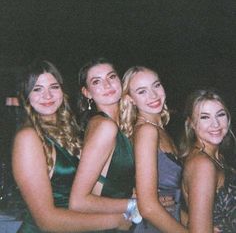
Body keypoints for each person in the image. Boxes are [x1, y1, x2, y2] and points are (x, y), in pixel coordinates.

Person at [12, 60, 128, 233]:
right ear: (25, 95)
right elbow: (46, 220)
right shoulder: (28, 138)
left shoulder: (71, 130)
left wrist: (134, 199)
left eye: (54, 87)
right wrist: (117, 220)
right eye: (37, 89)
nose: (48, 96)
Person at [69, 57, 142, 232]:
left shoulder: (120, 125)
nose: (107, 85)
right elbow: (78, 202)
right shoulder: (104, 126)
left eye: (111, 77)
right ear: (87, 93)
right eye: (96, 81)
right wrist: (137, 205)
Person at [120, 66, 188, 233]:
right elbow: (148, 207)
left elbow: (172, 199)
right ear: (130, 99)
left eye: (156, 85)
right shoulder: (146, 131)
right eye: (142, 91)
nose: (153, 95)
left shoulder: (159, 129)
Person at [179, 89, 236, 232]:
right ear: (191, 123)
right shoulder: (202, 165)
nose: (215, 124)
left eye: (220, 115)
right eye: (205, 117)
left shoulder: (216, 157)